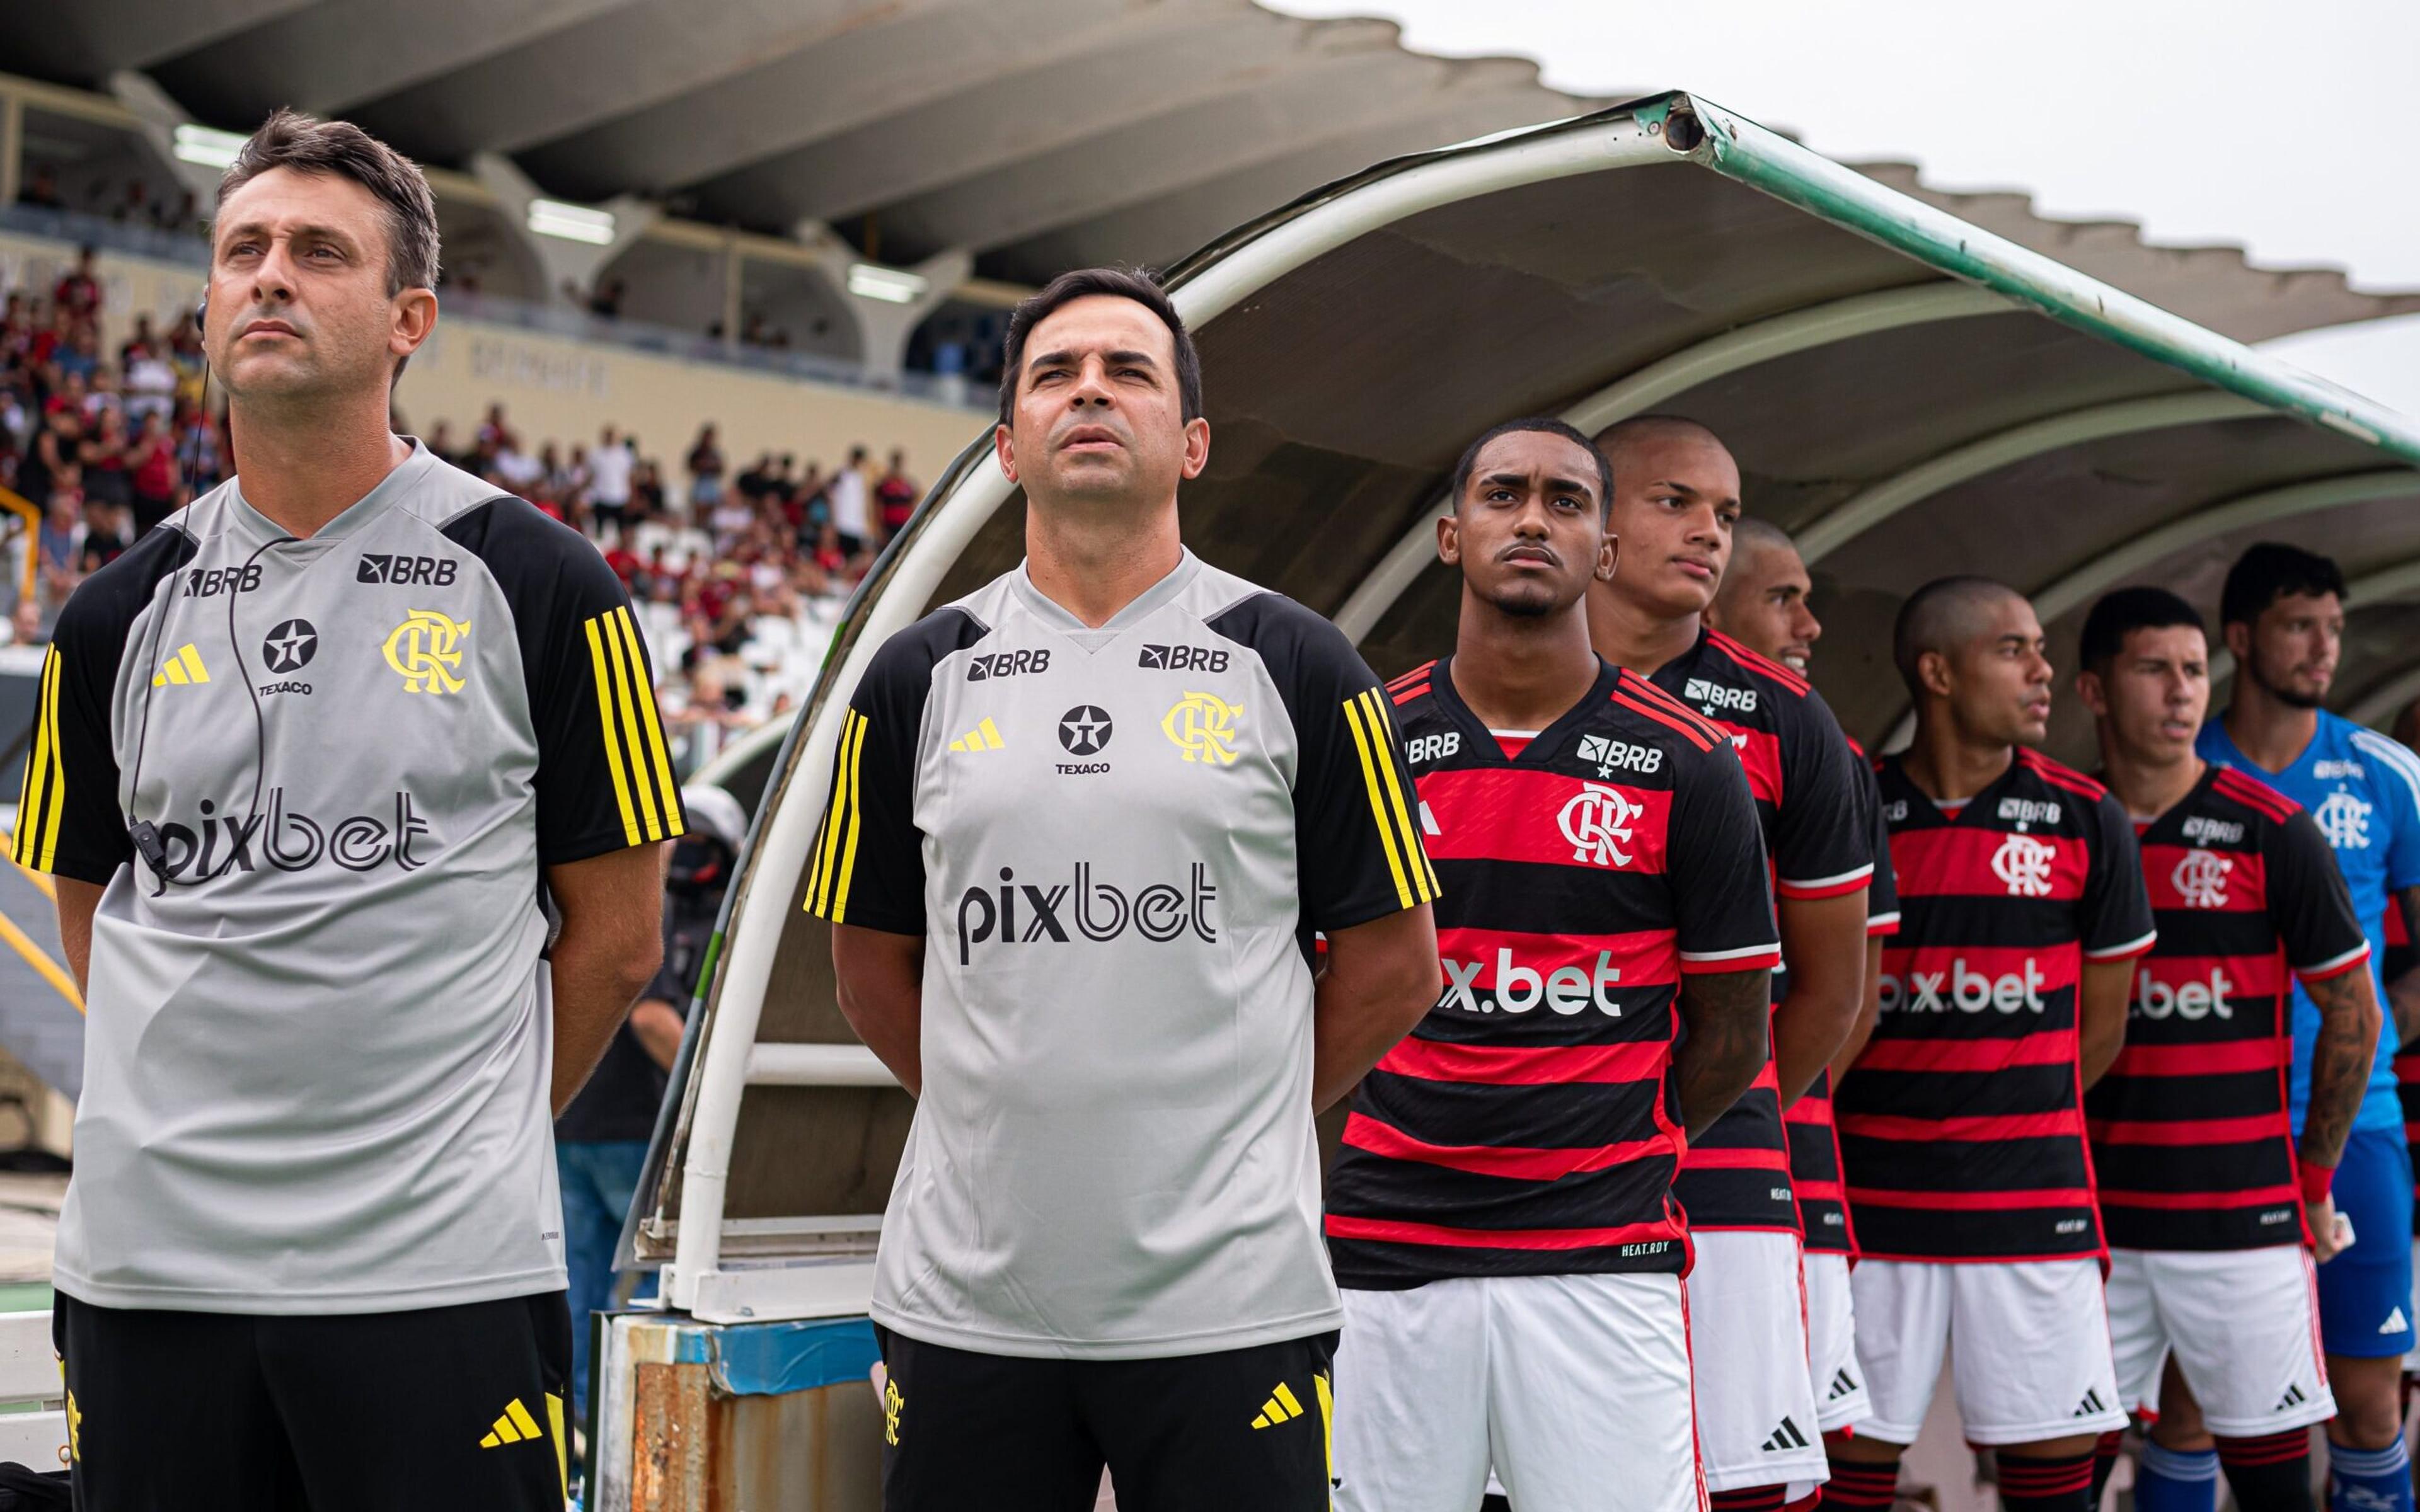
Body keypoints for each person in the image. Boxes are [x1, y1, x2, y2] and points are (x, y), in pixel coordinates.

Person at [10, 110, 677, 1511]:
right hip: (149, 1271)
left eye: (320, 253)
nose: (269, 277)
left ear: (407, 317)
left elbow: (617, 938)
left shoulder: (544, 582)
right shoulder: (110, 611)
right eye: (242, 250)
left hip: (433, 1275)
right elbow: (96, 912)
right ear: (204, 307)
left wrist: (467, 1136)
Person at [807, 266, 1441, 1512]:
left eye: (1129, 371)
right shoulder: (919, 674)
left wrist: (1239, 1122)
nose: (1090, 390)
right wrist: (1000, 1117)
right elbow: (868, 963)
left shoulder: (1296, 661)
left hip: (1228, 1297)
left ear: (1193, 442)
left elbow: (1396, 963)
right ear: (1006, 444)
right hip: (972, 1298)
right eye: (1056, 374)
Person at [1322, 418, 1778, 1512]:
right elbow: (1308, 997)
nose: (1533, 519)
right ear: (1450, 535)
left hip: (1599, 1262)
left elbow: (1730, 1036)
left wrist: (1605, 1144)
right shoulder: (1364, 745)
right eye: (1505, 495)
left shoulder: (1690, 765)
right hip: (1387, 1259)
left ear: (1603, 552)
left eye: (1568, 501)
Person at [1586, 417, 1873, 1512]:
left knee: (1748, 1484)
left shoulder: (1791, 719)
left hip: (1720, 1167)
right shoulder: (1489, 692)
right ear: (1592, 524)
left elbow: (1829, 995)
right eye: (1676, 503)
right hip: (1522, 1164)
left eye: (1727, 514)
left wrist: (1695, 1116)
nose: (1709, 531)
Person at [1828, 576, 2153, 1512]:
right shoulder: (1857, 807)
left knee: (2055, 1474)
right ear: (1936, 671)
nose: (2043, 671)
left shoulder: (2087, 817)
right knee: (1847, 1468)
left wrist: (2010, 1114)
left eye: (2041, 650)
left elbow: (2100, 1032)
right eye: (2014, 650)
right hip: (1873, 1212)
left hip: (2033, 1205)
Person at [2072, 586, 2374, 1512]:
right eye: (2154, 669)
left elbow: (2352, 1015)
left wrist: (2312, 1183)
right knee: (2059, 1480)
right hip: (2086, 1230)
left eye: (2196, 671)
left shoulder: (2272, 830)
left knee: (2275, 1488)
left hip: (2243, 1224)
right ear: (2093, 690)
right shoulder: (2062, 826)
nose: (2181, 693)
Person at [2194, 543, 2420, 1512]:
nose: (2323, 648)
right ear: (2241, 638)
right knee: (2191, 1408)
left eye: (2334, 627)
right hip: (2208, 1130)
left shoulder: (2383, 772)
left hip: (2357, 1127)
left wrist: (2382, 1029)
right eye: (2299, 625)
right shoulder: (2181, 763)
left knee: (2368, 1404)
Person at [1703, 513, 1903, 1441]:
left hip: (1776, 1165)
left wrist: (1748, 1104)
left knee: (1770, 1449)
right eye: (1784, 600)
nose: (1810, 626)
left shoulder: (1817, 744)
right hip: (1579, 1170)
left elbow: (1847, 995)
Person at [555, 784, 746, 1435]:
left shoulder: (606, 891)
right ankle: (627, 1426)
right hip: (637, 1131)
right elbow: (652, 1017)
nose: (689, 857)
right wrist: (718, 1098)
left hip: (573, 1119)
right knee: (656, 1286)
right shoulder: (665, 909)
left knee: (581, 1289)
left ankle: (584, 1423)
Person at [829, 443, 872, 557]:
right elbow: (831, 495)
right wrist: (833, 520)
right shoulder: (841, 474)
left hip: (858, 526)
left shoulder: (861, 477)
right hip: (843, 524)